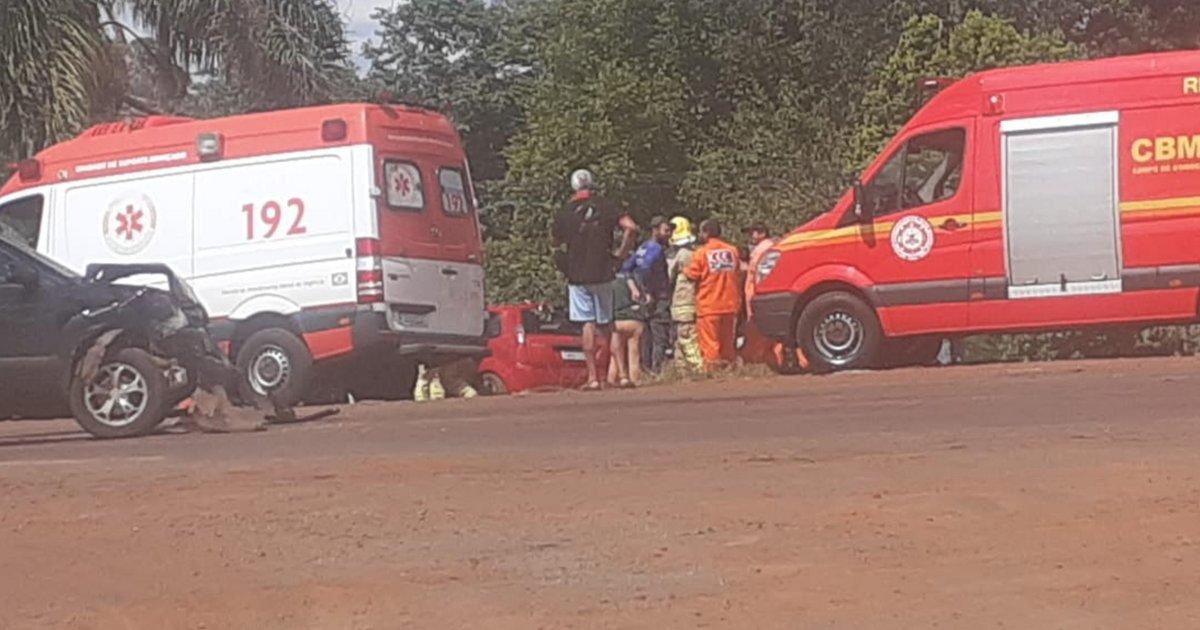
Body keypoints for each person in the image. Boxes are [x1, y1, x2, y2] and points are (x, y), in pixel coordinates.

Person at [552, 169, 638, 391]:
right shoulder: (606, 205)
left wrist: (566, 263)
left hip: (577, 276)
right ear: (592, 184)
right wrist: (621, 255)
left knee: (587, 324)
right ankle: (623, 375)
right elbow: (630, 227)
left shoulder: (564, 212)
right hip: (603, 270)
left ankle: (593, 378)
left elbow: (554, 244)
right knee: (608, 324)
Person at [685, 219, 743, 371]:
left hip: (709, 305)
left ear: (705, 233)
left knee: (711, 343)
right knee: (727, 342)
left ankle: (713, 372)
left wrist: (682, 270)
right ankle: (729, 369)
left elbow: (692, 275)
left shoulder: (701, 253)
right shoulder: (732, 251)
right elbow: (738, 273)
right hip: (730, 304)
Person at [622, 216, 674, 373]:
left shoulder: (642, 248)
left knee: (647, 336)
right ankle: (656, 371)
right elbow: (645, 270)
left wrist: (635, 289)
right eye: (666, 230)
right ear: (655, 230)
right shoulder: (655, 249)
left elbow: (626, 268)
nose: (669, 234)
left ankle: (646, 369)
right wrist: (648, 291)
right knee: (659, 335)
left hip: (649, 299)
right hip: (659, 298)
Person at [668, 216, 703, 374]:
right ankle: (681, 370)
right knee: (680, 340)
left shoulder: (681, 254)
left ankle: (699, 369)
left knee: (686, 337)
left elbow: (669, 275)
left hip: (683, 303)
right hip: (692, 301)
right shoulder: (697, 252)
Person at [741, 223, 778, 366]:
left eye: (753, 233)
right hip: (759, 297)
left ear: (762, 233)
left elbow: (758, 275)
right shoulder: (770, 247)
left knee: (758, 333)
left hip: (757, 298)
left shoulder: (763, 249)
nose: (750, 236)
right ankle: (773, 362)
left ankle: (755, 362)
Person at [607, 271, 647, 388]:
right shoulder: (633, 278)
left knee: (615, 355)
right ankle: (635, 380)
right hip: (634, 320)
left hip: (616, 320)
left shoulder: (608, 281)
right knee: (634, 354)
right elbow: (644, 298)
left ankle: (612, 381)